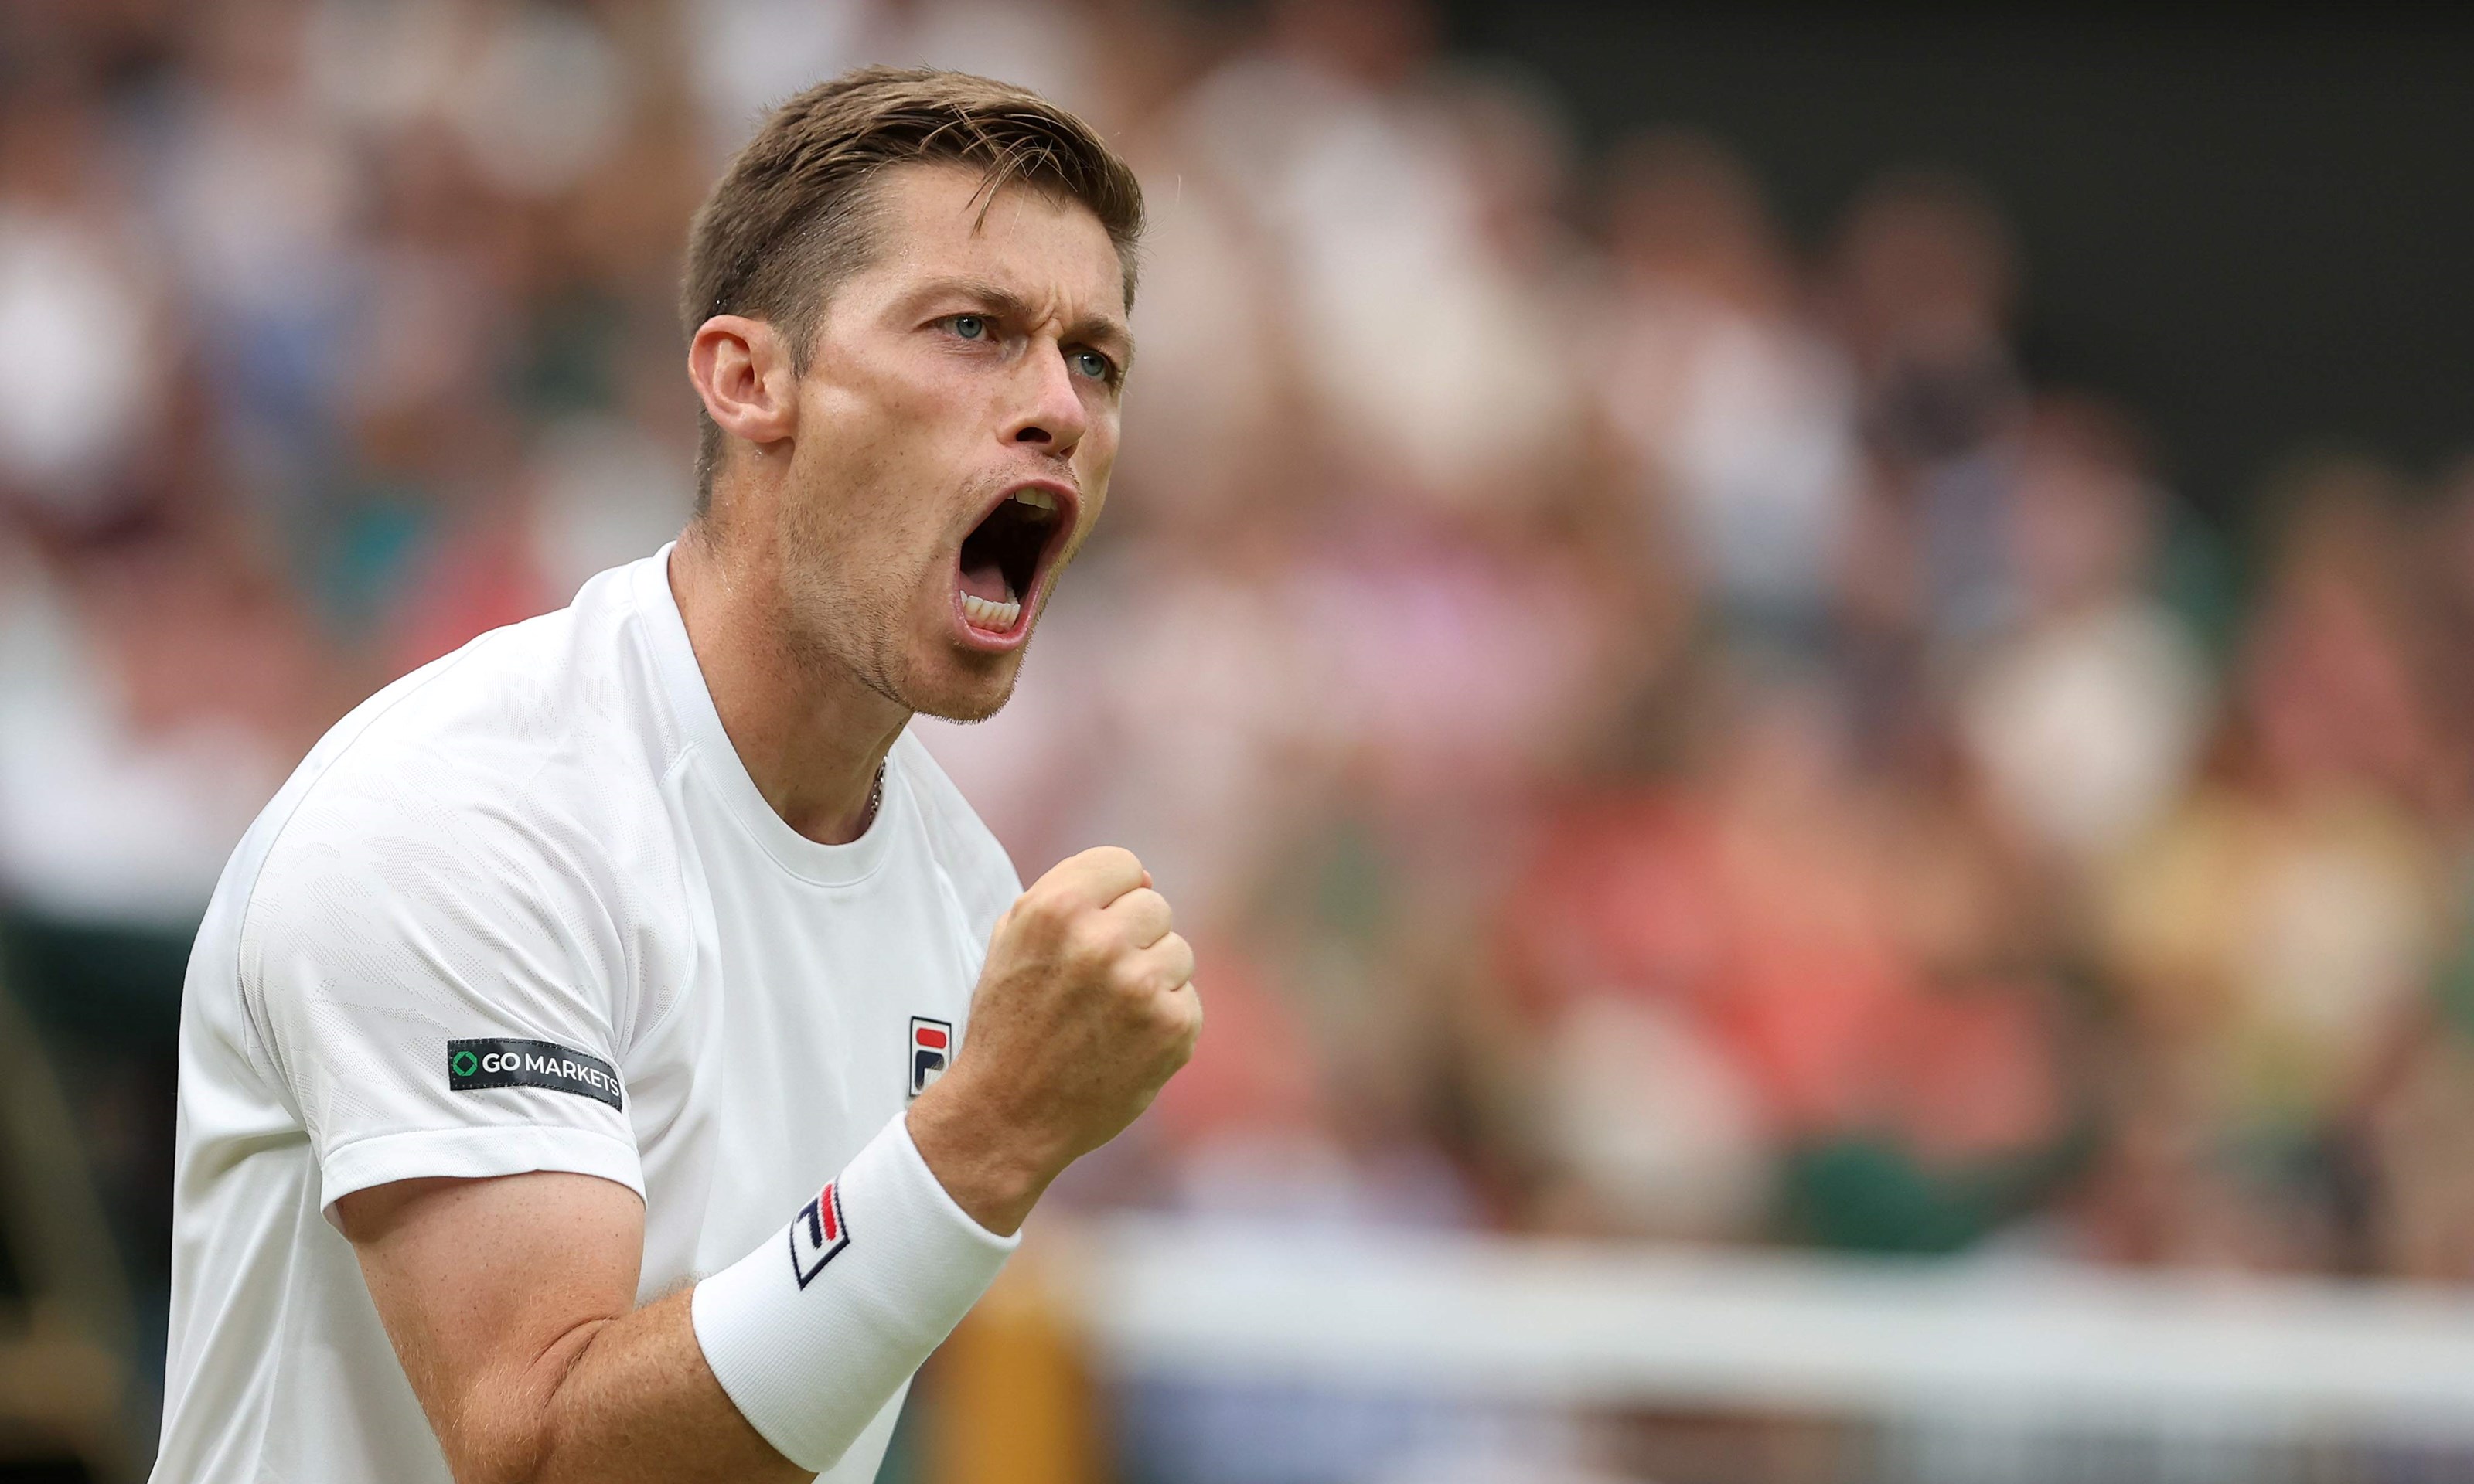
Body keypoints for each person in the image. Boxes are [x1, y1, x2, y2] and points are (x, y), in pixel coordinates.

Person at [149, 67, 1200, 1484]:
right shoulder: (463, 814)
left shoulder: (966, 900)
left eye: (1095, 359)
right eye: (974, 329)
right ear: (748, 378)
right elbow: (536, 1452)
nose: (1058, 407)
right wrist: (988, 1135)